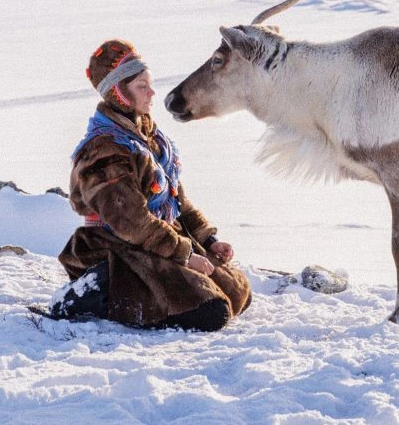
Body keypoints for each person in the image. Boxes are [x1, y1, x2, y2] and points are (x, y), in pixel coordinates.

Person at [51, 39, 251, 331]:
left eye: (150, 83)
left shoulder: (151, 139)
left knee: (237, 293)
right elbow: (131, 222)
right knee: (209, 311)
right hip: (117, 245)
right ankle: (96, 290)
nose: (152, 92)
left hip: (156, 240)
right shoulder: (105, 150)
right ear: (119, 93)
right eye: (142, 86)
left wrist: (208, 241)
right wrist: (185, 255)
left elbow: (176, 200)